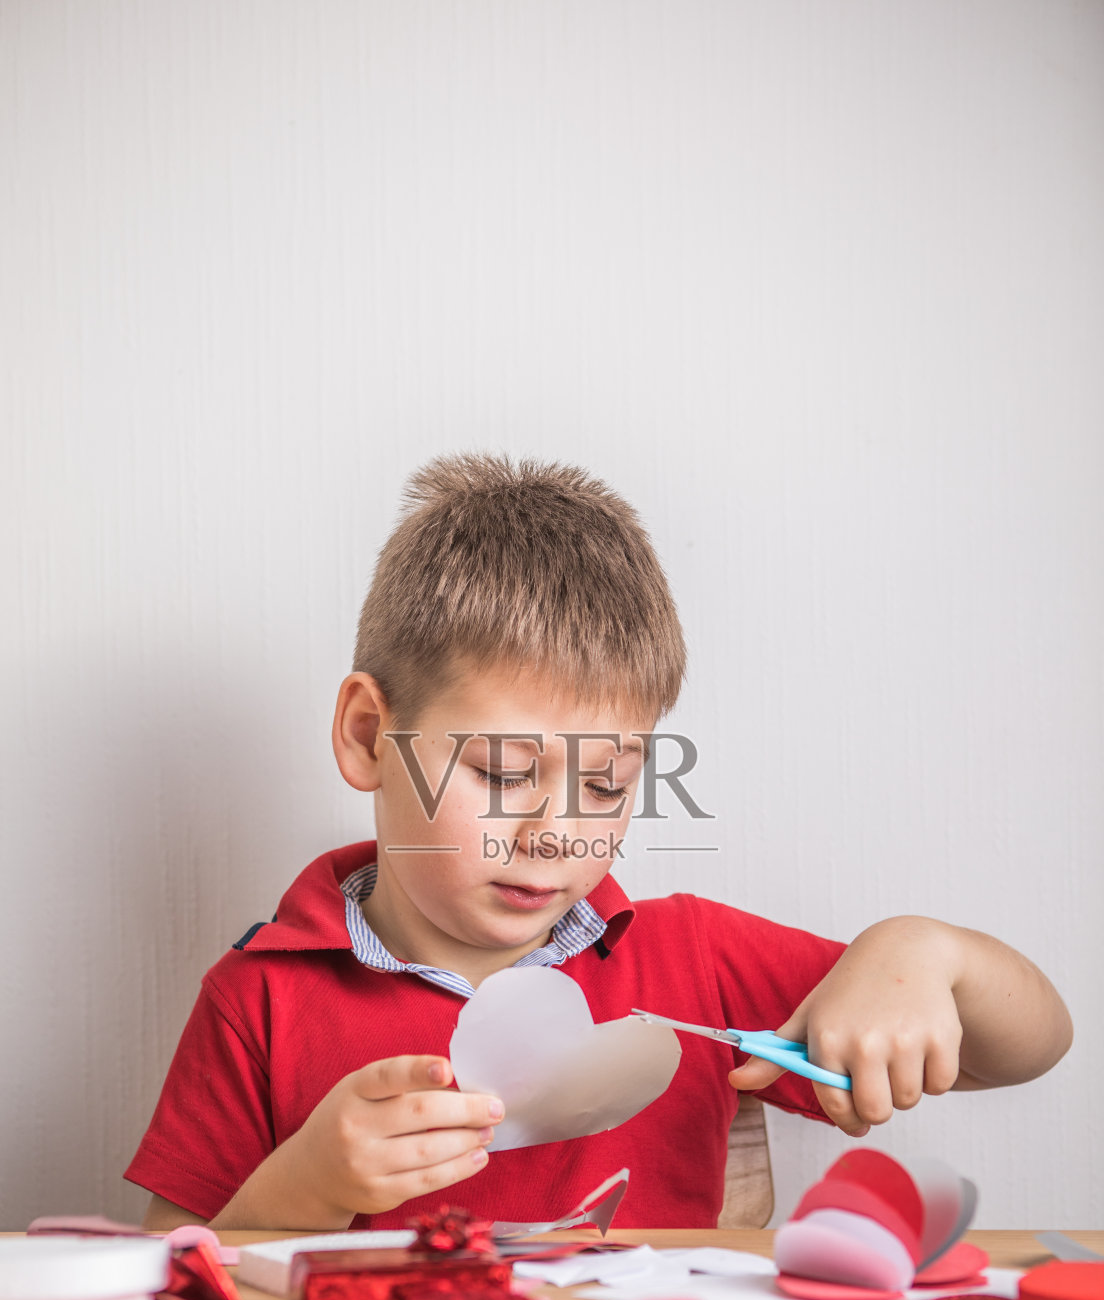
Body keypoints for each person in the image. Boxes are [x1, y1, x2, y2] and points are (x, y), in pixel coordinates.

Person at [128, 454, 1073, 1231]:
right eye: (502, 775)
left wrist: (920, 951)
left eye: (607, 783)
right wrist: (302, 1193)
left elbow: (1028, 1047)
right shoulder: (261, 998)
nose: (558, 834)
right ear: (372, 735)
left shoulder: (694, 965)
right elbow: (177, 1293)